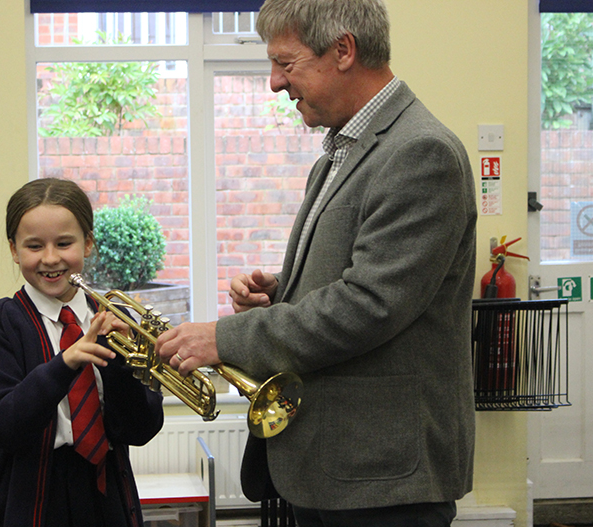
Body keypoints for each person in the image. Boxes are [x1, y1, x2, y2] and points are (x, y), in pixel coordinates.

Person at [156, 0, 477, 525]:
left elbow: (370, 304)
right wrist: (282, 290)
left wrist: (224, 338)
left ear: (343, 50)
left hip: (382, 478)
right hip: (338, 469)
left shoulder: (421, 152)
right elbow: (367, 274)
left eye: (286, 63)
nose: (274, 83)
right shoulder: (341, 151)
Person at [0, 178, 164, 527]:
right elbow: (1, 427)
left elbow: (141, 429)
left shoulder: (115, 318)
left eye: (64, 243)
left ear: (87, 243)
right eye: (34, 246)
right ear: (14, 249)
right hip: (29, 500)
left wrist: (120, 366)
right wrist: (65, 363)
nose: (50, 258)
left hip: (107, 492)